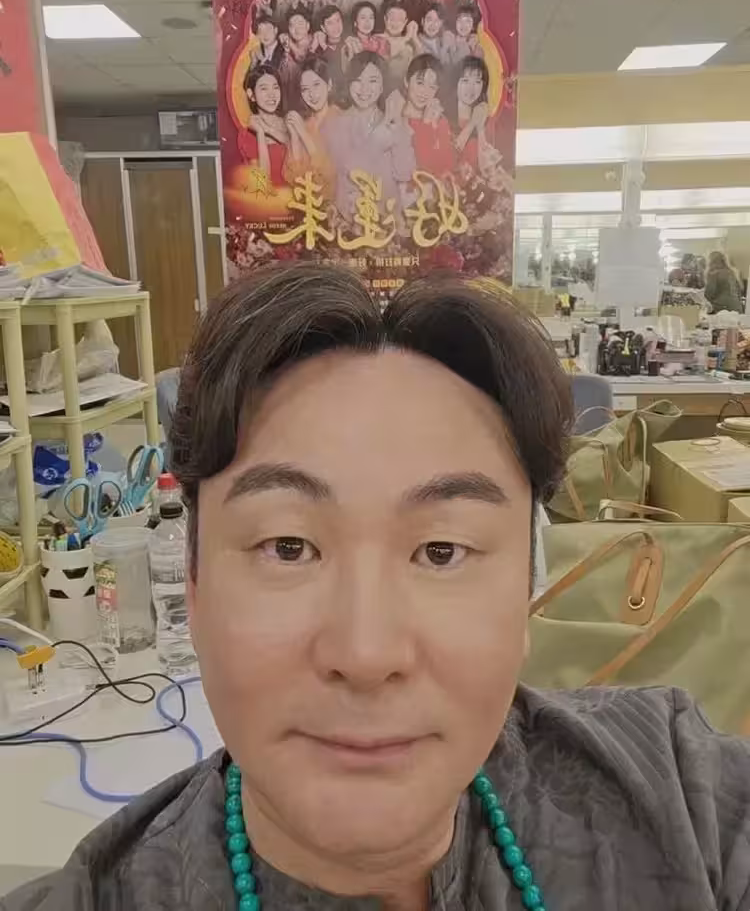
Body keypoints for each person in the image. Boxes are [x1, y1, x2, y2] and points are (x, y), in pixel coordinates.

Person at [5, 264, 750, 911]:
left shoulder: (681, 801)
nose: (365, 654)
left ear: (527, 594)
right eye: (288, 547)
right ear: (193, 590)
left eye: (441, 551)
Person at [321, 51, 416, 220]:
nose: (364, 89)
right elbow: (348, 171)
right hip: (349, 219)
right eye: (358, 81)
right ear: (349, 83)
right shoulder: (335, 123)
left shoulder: (391, 121)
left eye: (372, 81)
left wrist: (398, 126)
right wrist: (378, 139)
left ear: (382, 86)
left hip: (386, 218)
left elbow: (404, 173)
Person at [283, 56, 337, 197]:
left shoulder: (341, 120)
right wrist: (295, 138)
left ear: (329, 84)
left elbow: (330, 174)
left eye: (316, 85)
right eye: (305, 89)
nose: (312, 94)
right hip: (308, 203)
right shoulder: (305, 124)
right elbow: (293, 179)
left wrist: (303, 134)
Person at [402, 53, 456, 176]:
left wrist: (436, 126)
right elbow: (418, 167)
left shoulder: (440, 121)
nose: (424, 92)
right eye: (420, 83)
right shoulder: (395, 120)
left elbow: (449, 165)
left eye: (432, 87)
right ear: (406, 81)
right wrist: (426, 124)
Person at [238, 64, 289, 187]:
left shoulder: (291, 123)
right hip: (272, 197)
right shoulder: (247, 136)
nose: (272, 94)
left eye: (275, 87)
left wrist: (268, 130)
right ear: (251, 95)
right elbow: (262, 179)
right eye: (264, 89)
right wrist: (260, 133)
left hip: (300, 195)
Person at [379, 0, 419, 81]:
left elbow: (420, 67)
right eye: (392, 19)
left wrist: (415, 38)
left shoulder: (409, 46)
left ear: (405, 22)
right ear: (385, 19)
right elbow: (391, 53)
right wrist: (407, 37)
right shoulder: (377, 38)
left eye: (400, 20)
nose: (395, 24)